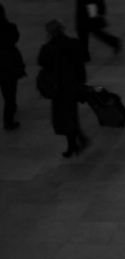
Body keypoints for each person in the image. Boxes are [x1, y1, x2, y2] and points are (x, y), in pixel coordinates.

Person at [38, 19, 88, 157]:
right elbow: (80, 65)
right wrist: (81, 81)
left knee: (64, 117)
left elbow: (41, 61)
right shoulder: (72, 43)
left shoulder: (50, 48)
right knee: (71, 114)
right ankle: (77, 142)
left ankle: (74, 144)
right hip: (71, 85)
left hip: (59, 87)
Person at [0, 5, 25, 131]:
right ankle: (8, 120)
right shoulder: (9, 27)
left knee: (7, 92)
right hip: (9, 64)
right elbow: (15, 38)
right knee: (10, 92)